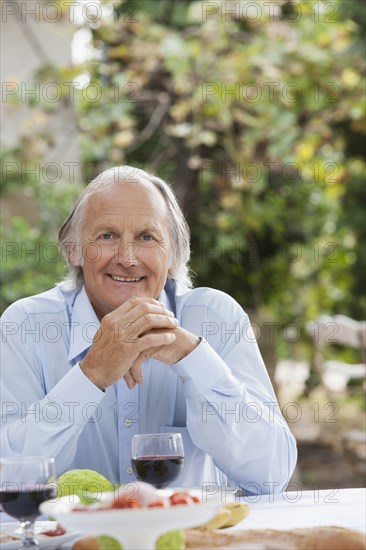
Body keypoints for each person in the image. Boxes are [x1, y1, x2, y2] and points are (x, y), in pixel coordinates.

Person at [0, 166, 297, 493]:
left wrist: (192, 358)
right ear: (74, 249)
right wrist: (92, 374)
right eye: (107, 235)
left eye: (146, 237)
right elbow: (7, 478)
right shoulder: (25, 327)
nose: (127, 258)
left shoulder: (215, 318)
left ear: (172, 254)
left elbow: (270, 474)